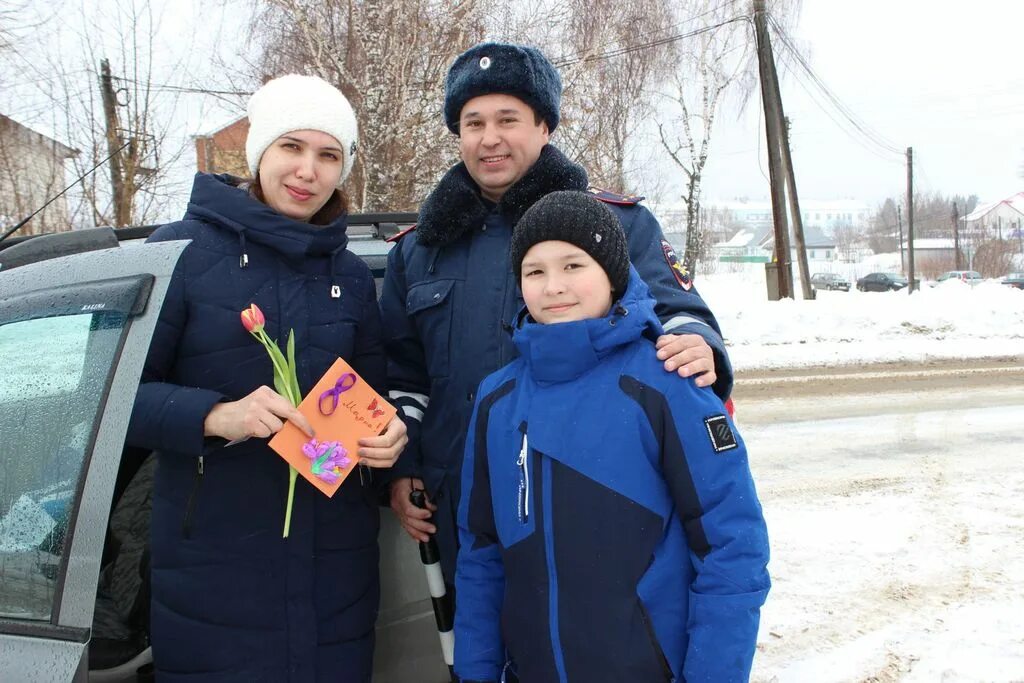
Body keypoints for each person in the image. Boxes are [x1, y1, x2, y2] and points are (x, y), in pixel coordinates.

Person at [380, 42, 734, 585]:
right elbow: (403, 375)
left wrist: (698, 344)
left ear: (544, 127)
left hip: (585, 490)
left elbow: (678, 313)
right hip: (459, 504)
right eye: (473, 123)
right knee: (472, 653)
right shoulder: (417, 250)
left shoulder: (611, 223)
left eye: (508, 119)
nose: (489, 137)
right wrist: (404, 469)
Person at [126, 74, 407, 682]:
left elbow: (376, 401)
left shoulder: (352, 276)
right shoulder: (177, 253)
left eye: (328, 155)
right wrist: (214, 416)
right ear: (260, 153)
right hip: (216, 577)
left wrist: (390, 440)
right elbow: (117, 404)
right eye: (292, 147)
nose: (308, 170)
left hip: (337, 574)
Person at [454, 191, 770, 683]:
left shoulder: (668, 381)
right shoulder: (497, 399)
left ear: (612, 273)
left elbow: (732, 548)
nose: (554, 286)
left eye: (573, 264)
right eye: (534, 271)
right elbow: (480, 554)